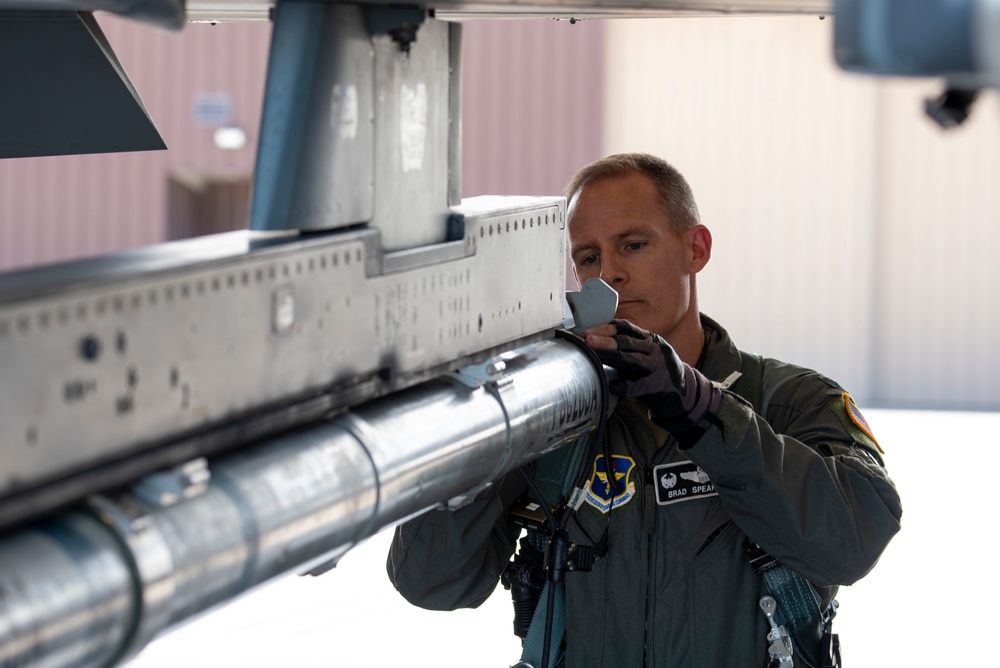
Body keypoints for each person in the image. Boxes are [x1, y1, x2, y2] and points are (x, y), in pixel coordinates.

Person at [386, 153, 902, 667]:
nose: (609, 273)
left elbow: (855, 538)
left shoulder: (789, 400)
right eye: (588, 258)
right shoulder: (558, 418)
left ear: (694, 249)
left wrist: (701, 410)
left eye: (633, 245)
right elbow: (432, 581)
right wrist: (484, 425)